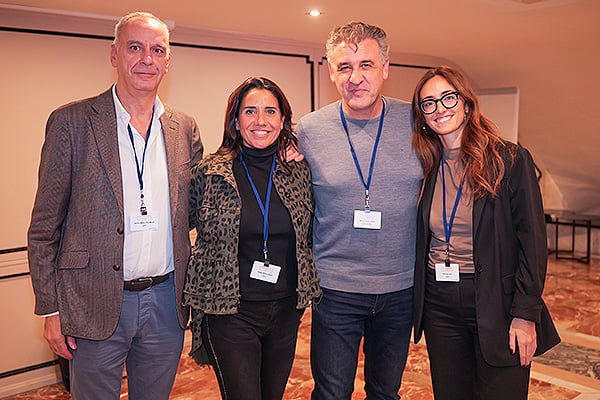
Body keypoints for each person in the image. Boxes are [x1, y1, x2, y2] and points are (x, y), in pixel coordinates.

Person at [27, 12, 203, 400]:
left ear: (167, 60)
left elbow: (202, 201)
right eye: (135, 47)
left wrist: (282, 153)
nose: (147, 59)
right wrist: (51, 310)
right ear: (114, 54)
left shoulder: (183, 128)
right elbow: (43, 228)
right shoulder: (72, 122)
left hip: (165, 303)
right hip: (92, 301)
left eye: (157, 50)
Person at [411, 65, 560, 400]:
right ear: (421, 115)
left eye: (448, 97)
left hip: (498, 301)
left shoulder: (508, 159)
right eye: (428, 102)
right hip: (439, 305)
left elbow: (533, 243)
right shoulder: (424, 165)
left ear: (467, 103)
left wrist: (525, 316)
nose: (440, 108)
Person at [296, 22, 422, 400]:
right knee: (331, 392)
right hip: (336, 290)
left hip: (401, 289)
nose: (355, 77)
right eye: (345, 67)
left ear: (385, 67)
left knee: (386, 393)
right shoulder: (309, 130)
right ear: (331, 71)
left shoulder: (418, 122)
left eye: (365, 65)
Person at [183, 77, 321, 400]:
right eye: (250, 112)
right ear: (235, 120)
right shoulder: (211, 172)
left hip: (286, 311)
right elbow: (177, 227)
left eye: (271, 111)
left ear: (283, 120)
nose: (261, 121)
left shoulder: (299, 171)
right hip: (230, 312)